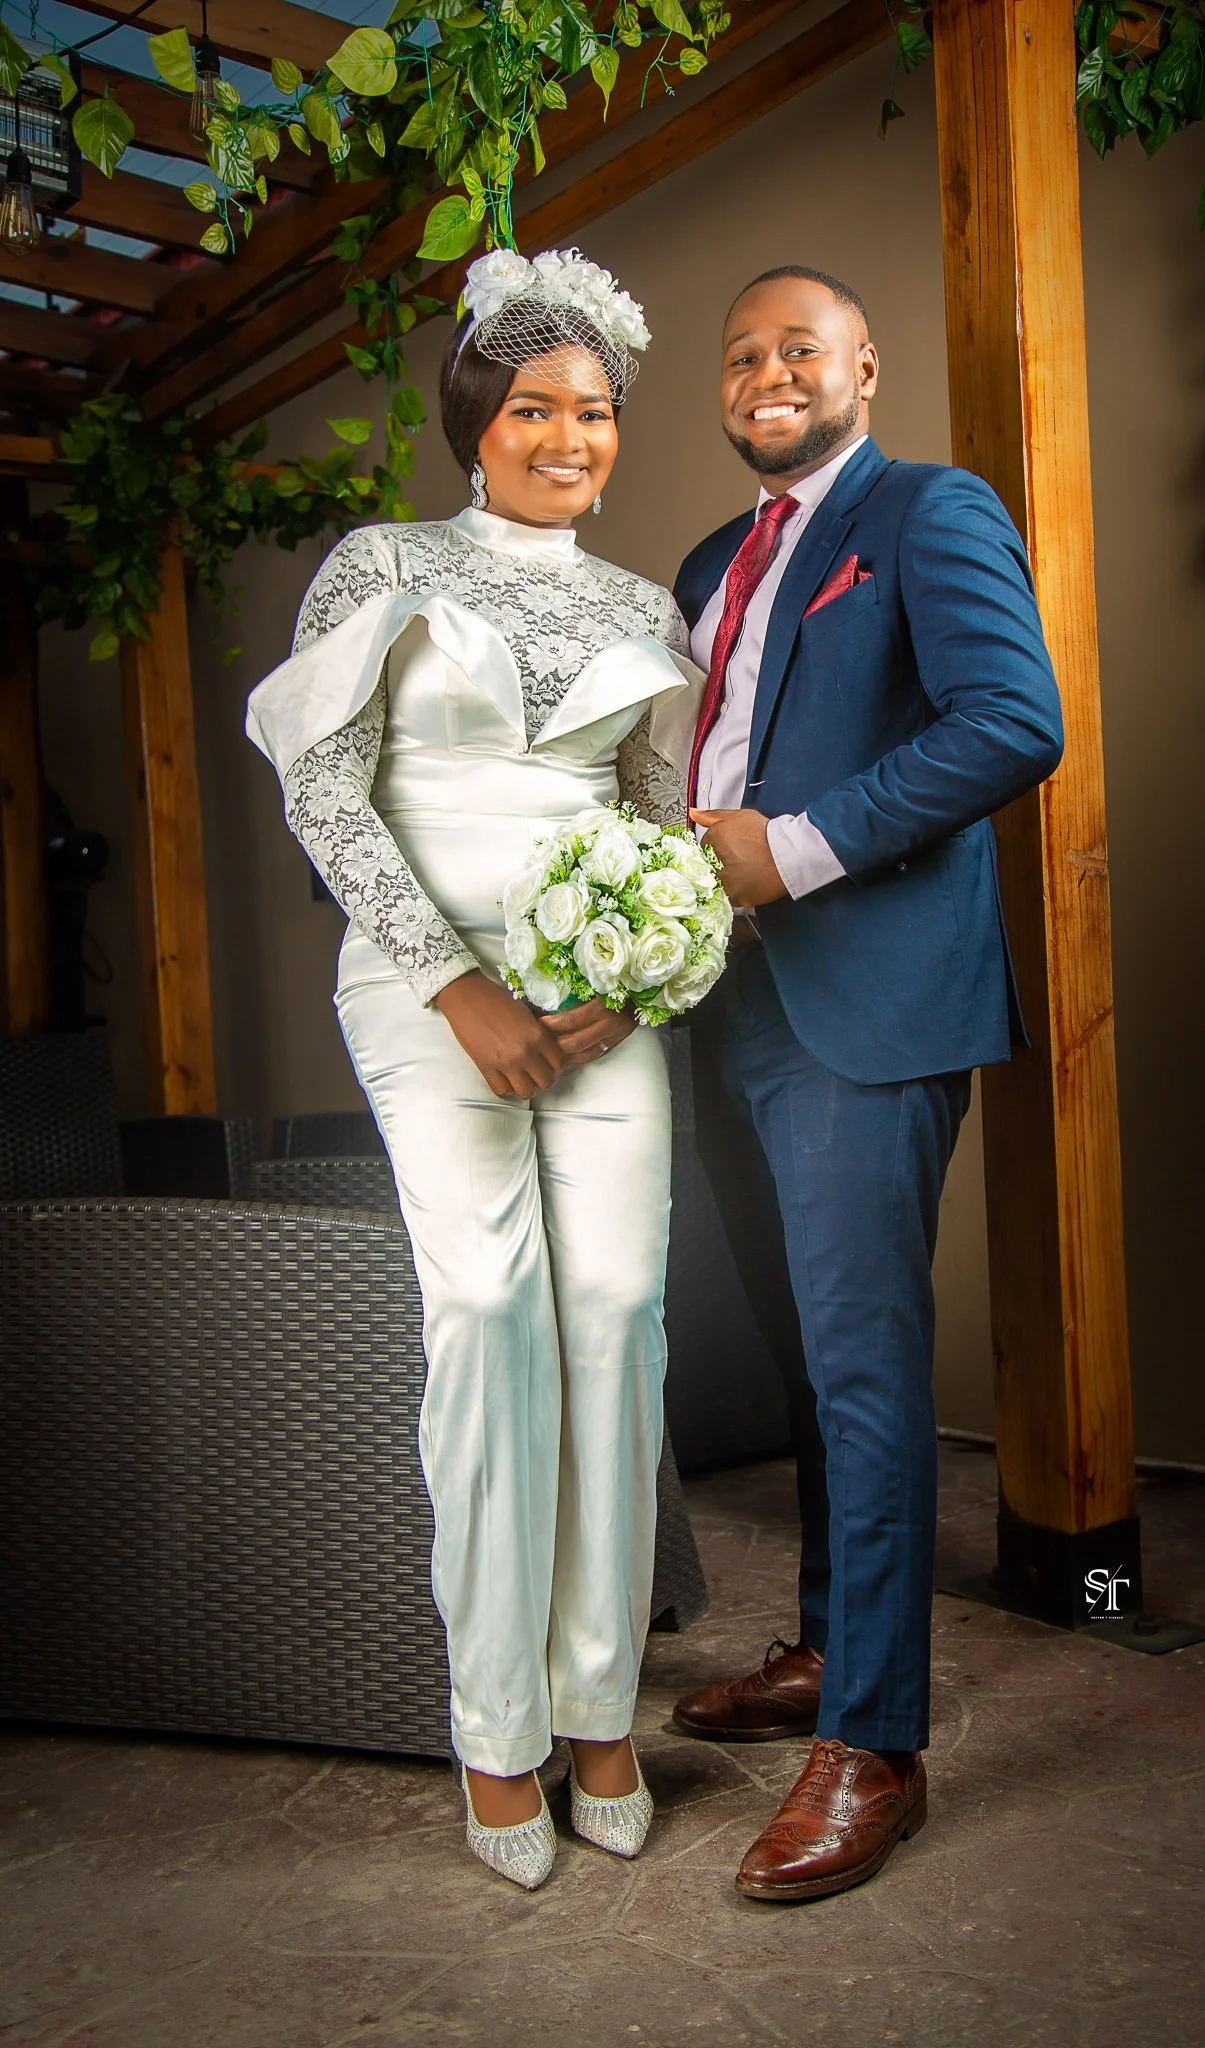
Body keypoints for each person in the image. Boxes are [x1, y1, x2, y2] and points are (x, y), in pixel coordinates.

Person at [246, 249, 702, 1892]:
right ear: (478, 419)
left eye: (593, 411)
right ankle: (494, 1727)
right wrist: (458, 987)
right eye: (535, 408)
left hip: (600, 1006)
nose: (569, 437)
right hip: (427, 990)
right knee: (492, 1309)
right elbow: (327, 786)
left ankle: (598, 1708)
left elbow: (659, 820)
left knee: (616, 1314)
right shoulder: (383, 559)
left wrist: (641, 978)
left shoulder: (647, 608)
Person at [670, 265, 1065, 1902]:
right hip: (723, 1006)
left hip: (867, 1006)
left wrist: (799, 850)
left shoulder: (926, 509)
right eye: (744, 350)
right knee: (804, 1365)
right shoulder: (707, 562)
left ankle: (881, 1744)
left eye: (800, 347)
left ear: (864, 368)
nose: (770, 370)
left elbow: (1012, 720)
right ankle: (833, 1654)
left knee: (867, 1369)